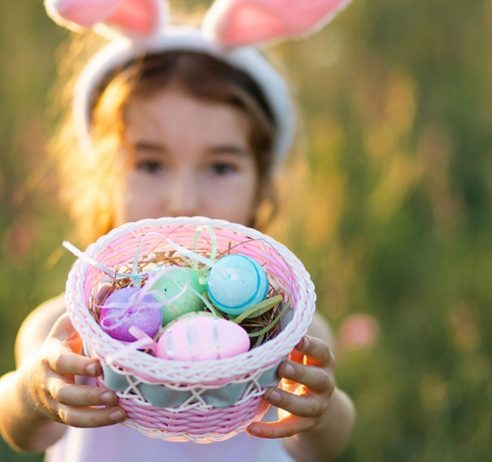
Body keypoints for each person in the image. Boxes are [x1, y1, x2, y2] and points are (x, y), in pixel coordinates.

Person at [0, 1, 355, 461]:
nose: (184, 200)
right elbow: (22, 433)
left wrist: (321, 414)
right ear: (103, 178)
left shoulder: (285, 331)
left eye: (221, 167)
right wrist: (34, 394)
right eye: (149, 164)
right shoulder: (64, 331)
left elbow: (317, 451)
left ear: (263, 186)